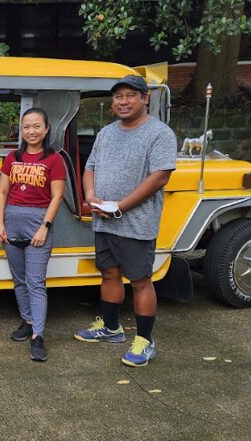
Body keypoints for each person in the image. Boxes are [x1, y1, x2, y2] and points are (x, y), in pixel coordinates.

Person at [74, 75, 177, 367]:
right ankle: (111, 328)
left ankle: (145, 341)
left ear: (145, 98)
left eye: (130, 95)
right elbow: (90, 167)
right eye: (118, 96)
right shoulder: (106, 133)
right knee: (108, 274)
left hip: (136, 222)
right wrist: (91, 195)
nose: (123, 101)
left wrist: (120, 207)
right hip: (104, 220)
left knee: (141, 281)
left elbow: (159, 177)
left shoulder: (159, 133)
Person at [0, 108, 65, 362]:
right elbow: (3, 192)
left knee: (35, 282)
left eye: (37, 126)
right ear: (21, 130)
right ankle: (26, 320)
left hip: (38, 222)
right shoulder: (12, 157)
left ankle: (38, 335)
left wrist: (44, 226)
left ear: (46, 129)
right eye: (26, 126)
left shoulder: (54, 160)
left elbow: (57, 196)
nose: (31, 131)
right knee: (19, 279)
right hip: (12, 221)